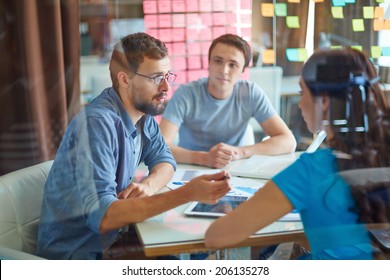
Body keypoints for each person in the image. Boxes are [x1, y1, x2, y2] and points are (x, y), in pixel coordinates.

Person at [36, 32, 231, 260]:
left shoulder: (142, 115)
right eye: (156, 77)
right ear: (125, 79)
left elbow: (165, 160)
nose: (167, 87)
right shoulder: (97, 124)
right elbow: (104, 217)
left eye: (167, 75)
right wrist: (187, 193)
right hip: (79, 255)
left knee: (196, 247)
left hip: (113, 240)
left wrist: (148, 186)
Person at [205, 48, 390, 260]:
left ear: (324, 101)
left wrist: (232, 214)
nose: (301, 104)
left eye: (303, 93)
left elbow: (216, 238)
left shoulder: (314, 169)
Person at [159, 34, 296, 169]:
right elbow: (159, 146)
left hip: (234, 167)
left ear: (243, 69)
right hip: (190, 167)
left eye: (233, 65)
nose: (224, 70)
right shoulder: (186, 94)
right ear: (209, 63)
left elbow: (288, 142)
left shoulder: (250, 93)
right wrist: (204, 158)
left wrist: (240, 152)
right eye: (218, 61)